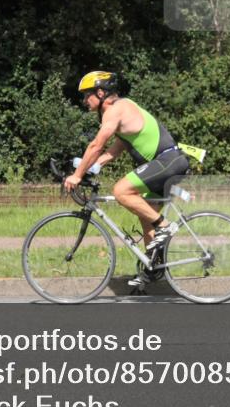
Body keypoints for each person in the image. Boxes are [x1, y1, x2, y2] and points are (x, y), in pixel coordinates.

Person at [64, 70, 190, 270]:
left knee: (121, 191)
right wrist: (93, 167)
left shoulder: (116, 110)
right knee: (146, 215)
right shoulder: (121, 109)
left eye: (87, 95)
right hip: (169, 162)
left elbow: (97, 145)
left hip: (167, 161)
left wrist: (77, 175)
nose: (84, 100)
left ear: (100, 93)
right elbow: (114, 150)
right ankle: (154, 268)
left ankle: (166, 226)